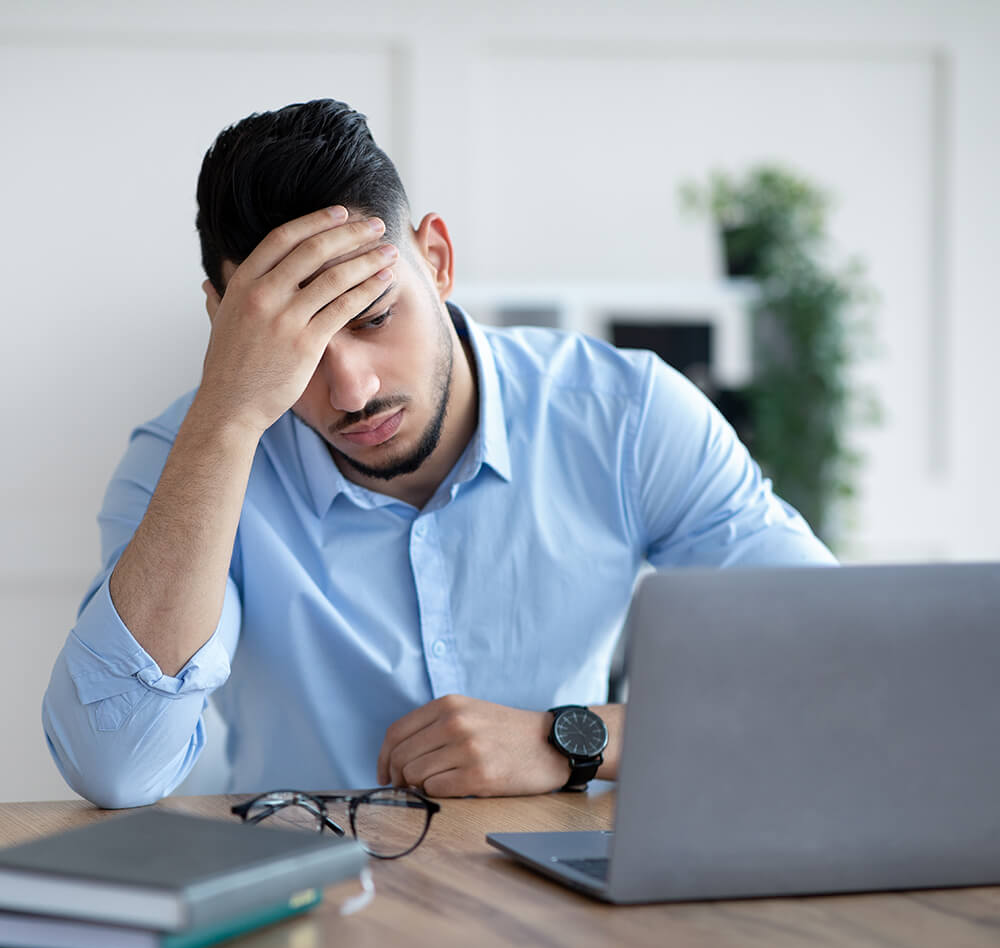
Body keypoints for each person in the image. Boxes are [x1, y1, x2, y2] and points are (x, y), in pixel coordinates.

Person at [42, 99, 835, 809]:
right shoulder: (184, 460)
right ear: (225, 326)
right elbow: (116, 768)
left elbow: (834, 665)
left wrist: (571, 740)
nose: (350, 389)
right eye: (296, 346)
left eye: (374, 316)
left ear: (438, 260)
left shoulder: (626, 417)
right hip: (308, 898)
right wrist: (226, 419)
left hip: (568, 906)